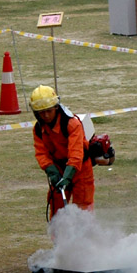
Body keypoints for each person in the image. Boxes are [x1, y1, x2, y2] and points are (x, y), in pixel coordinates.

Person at [30, 85, 94, 221]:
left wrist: (68, 176)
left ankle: (85, 240)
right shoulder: (38, 129)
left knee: (83, 208)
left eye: (48, 111)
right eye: (41, 112)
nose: (46, 115)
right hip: (58, 169)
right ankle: (59, 241)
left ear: (56, 107)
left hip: (80, 170)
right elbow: (41, 154)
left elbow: (76, 154)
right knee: (57, 209)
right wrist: (52, 171)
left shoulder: (72, 124)